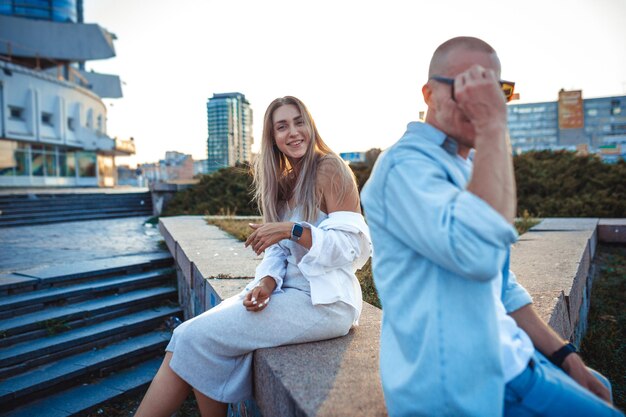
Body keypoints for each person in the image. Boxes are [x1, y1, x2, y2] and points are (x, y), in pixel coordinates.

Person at [361, 37, 623, 417]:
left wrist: (566, 356)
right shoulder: (406, 168)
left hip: (509, 360)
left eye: (494, 91)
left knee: (602, 386)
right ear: (428, 93)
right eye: (466, 86)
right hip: (467, 387)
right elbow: (479, 255)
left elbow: (501, 283)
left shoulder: (465, 165)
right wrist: (492, 127)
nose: (481, 101)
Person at [135, 96, 371, 417]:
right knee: (185, 336)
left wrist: (292, 229)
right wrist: (267, 283)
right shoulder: (285, 181)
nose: (293, 132)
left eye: (299, 122)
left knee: (194, 338)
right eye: (282, 126)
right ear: (272, 137)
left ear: (311, 125)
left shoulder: (330, 167)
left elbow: (353, 250)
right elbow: (278, 252)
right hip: (289, 294)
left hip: (325, 302)